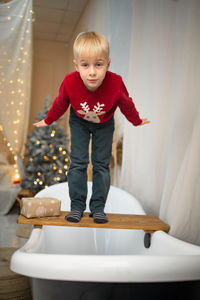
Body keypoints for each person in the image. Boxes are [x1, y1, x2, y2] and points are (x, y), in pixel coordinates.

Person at [33, 31, 150, 224]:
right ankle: (77, 206)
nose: (92, 72)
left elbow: (126, 103)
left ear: (108, 64)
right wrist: (49, 119)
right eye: (85, 65)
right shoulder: (70, 81)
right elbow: (61, 102)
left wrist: (136, 120)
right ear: (76, 65)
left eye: (99, 64)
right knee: (78, 163)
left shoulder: (115, 82)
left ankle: (97, 208)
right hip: (78, 122)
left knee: (101, 165)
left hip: (104, 124)